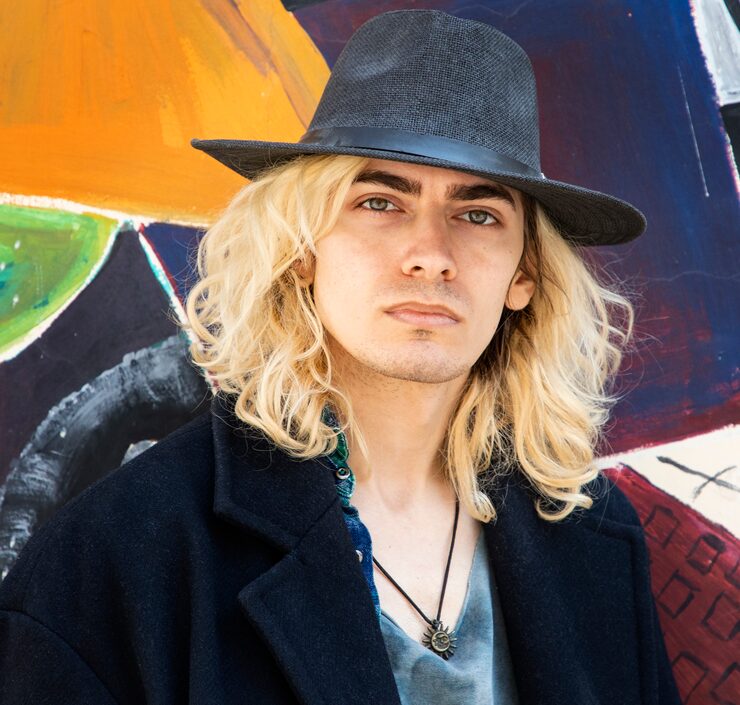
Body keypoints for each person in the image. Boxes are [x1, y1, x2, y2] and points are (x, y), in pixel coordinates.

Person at [0, 9, 680, 705]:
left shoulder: (593, 536)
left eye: (478, 214)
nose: (430, 255)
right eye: (380, 202)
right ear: (301, 249)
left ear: (523, 274)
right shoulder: (121, 561)